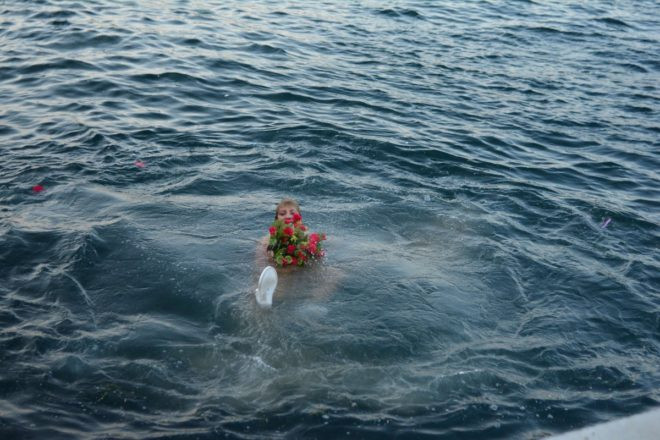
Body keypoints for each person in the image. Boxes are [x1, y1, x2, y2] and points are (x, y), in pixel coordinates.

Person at [254, 198, 338, 302]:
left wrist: (315, 253)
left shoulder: (307, 237)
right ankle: (267, 295)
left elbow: (319, 257)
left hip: (303, 271)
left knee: (337, 273)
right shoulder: (267, 240)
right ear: (276, 220)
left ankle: (315, 301)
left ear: (299, 219)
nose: (288, 216)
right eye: (282, 213)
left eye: (292, 213)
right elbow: (260, 263)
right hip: (281, 272)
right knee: (279, 292)